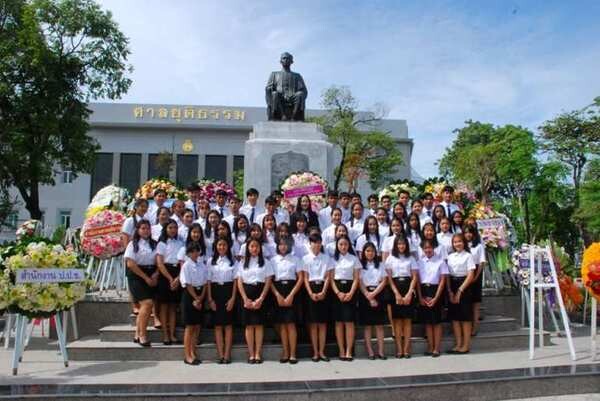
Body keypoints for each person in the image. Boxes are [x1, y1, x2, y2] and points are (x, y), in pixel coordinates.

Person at [236, 238, 274, 364]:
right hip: (246, 294)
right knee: (249, 325)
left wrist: (261, 298)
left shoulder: (266, 262)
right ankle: (251, 353)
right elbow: (239, 281)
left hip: (260, 294)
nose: (254, 249)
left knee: (258, 325)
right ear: (248, 248)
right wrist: (245, 299)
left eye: (256, 246)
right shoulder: (242, 263)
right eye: (251, 246)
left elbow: (268, 280)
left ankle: (258, 353)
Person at [124, 219, 159, 347]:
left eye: (148, 228)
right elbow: (130, 264)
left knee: (147, 306)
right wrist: (146, 278)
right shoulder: (133, 244)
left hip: (151, 273)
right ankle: (143, 334)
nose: (146, 231)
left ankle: (137, 333)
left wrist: (156, 274)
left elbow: (159, 261)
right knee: (147, 303)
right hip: (137, 275)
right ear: (138, 230)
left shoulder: (155, 244)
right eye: (143, 228)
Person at [271, 238, 304, 364]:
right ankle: (285, 352)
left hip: (292, 291)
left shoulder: (295, 259)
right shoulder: (273, 260)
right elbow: (271, 280)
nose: (283, 247)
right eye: (281, 245)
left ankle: (293, 353)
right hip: (278, 292)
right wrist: (277, 295)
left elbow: (300, 278)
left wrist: (291, 295)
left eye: (285, 244)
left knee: (291, 324)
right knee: (282, 324)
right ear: (278, 246)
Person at [385, 235, 418, 358]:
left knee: (407, 321)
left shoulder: (411, 258)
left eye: (403, 244)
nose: (401, 246)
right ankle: (399, 349)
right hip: (395, 289)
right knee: (397, 321)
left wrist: (410, 293)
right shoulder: (390, 258)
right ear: (395, 245)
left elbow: (414, 277)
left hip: (408, 288)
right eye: (399, 244)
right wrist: (396, 294)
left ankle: (406, 349)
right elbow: (389, 278)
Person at [303, 233, 333, 362]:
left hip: (323, 289)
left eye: (319, 242)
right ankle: (315, 352)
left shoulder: (327, 258)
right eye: (314, 242)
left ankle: (322, 351)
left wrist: (323, 292)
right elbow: (305, 278)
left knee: (322, 324)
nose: (316, 245)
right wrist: (310, 293)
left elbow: (328, 276)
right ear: (310, 244)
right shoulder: (305, 259)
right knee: (313, 324)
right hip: (310, 289)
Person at [207, 238, 237, 364]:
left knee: (228, 325)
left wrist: (233, 298)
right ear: (216, 246)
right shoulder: (210, 261)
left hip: (228, 291)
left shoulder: (232, 261)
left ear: (228, 247)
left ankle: (227, 354)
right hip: (215, 292)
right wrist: (210, 299)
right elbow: (208, 281)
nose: (222, 247)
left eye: (224, 245)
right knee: (218, 325)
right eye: (219, 245)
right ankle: (220, 354)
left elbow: (235, 280)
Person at [331, 235, 361, 361]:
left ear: (349, 246)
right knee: (338, 322)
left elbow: (356, 278)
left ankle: (349, 350)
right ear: (337, 246)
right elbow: (331, 278)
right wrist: (338, 292)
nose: (343, 247)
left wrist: (350, 293)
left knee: (349, 322)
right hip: (336, 290)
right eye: (341, 244)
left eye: (345, 244)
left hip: (350, 290)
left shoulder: (354, 259)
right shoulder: (332, 259)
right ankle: (341, 350)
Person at [416, 239, 448, 357]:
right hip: (424, 290)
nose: (428, 250)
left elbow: (442, 281)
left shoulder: (440, 262)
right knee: (428, 322)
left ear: (434, 248)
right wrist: (420, 296)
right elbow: (418, 282)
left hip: (436, 291)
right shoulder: (419, 262)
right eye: (425, 248)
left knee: (437, 322)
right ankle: (430, 347)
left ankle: (436, 348)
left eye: (430, 248)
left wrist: (436, 297)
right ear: (423, 250)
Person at [446, 234, 476, 354]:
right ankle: (458, 344)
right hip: (452, 285)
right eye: (455, 242)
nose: (457, 244)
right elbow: (447, 274)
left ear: (464, 242)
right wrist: (449, 290)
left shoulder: (468, 256)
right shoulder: (450, 256)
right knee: (455, 317)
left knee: (465, 317)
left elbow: (471, 275)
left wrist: (460, 290)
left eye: (459, 241)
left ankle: (466, 345)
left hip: (465, 286)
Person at [156, 219, 184, 345]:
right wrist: (169, 278)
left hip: (177, 271)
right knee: (164, 306)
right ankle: (165, 335)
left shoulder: (180, 243)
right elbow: (160, 263)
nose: (173, 230)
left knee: (173, 306)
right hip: (165, 274)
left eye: (175, 227)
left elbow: (183, 262)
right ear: (166, 229)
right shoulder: (162, 244)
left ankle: (172, 334)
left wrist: (177, 278)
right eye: (170, 228)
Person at [179, 242, 208, 365]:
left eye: (197, 251)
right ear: (189, 253)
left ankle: (193, 352)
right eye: (193, 251)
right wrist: (196, 298)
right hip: (190, 295)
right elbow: (187, 283)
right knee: (189, 327)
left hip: (200, 294)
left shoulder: (202, 265)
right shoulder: (186, 266)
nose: (196, 253)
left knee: (197, 326)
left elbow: (205, 281)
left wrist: (201, 298)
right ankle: (187, 355)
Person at [359, 242, 388, 360]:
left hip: (378, 294)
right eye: (367, 251)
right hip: (364, 294)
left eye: (372, 251)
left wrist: (373, 295)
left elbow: (384, 281)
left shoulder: (380, 264)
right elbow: (359, 281)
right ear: (363, 253)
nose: (370, 253)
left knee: (379, 326)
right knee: (368, 326)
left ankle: (381, 351)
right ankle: (370, 351)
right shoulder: (360, 265)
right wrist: (368, 295)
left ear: (375, 252)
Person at [463, 224, 486, 336]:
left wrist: (476, 277)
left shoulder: (478, 246)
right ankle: (467, 327)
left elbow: (481, 263)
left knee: (475, 303)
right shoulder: (462, 245)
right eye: (466, 232)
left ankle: (474, 328)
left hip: (476, 273)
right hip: (465, 273)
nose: (468, 234)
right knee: (466, 302)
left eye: (470, 232)